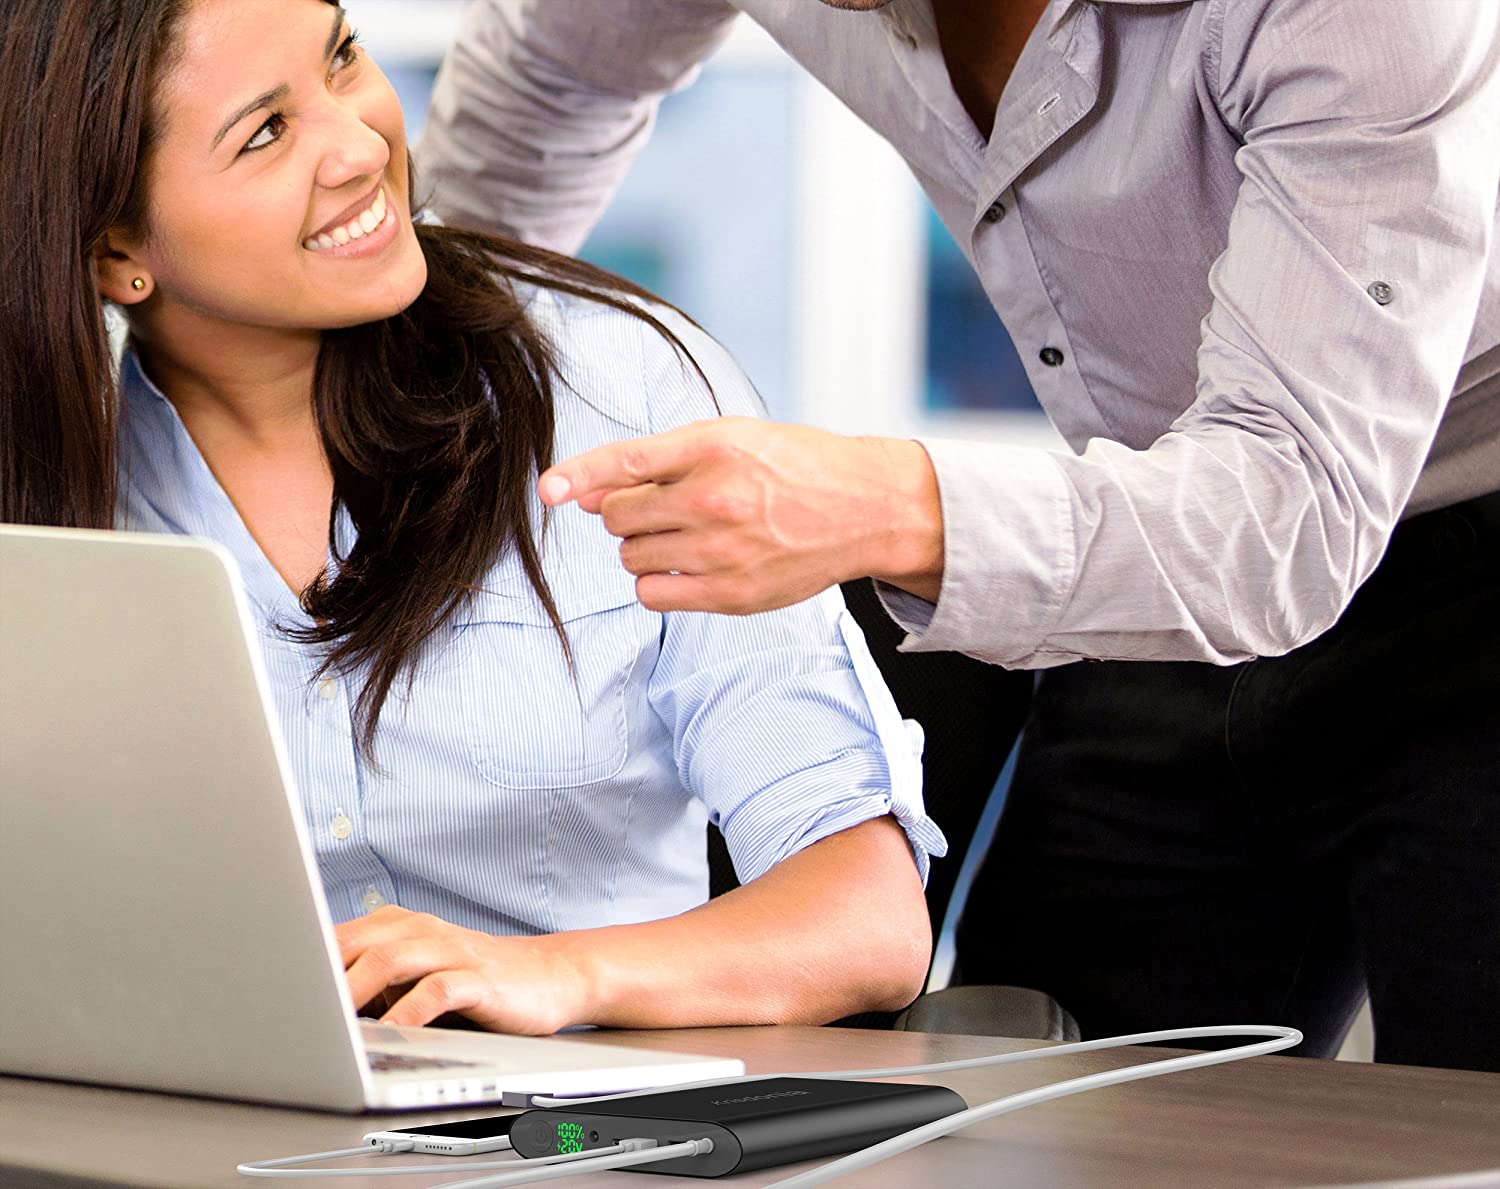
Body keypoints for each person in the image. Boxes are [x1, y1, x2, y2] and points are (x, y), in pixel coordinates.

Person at [420, 0, 1500, 1070]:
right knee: (1065, 1097)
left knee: (1463, 1112)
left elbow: (1288, 513)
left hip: (1436, 528)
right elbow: (549, 83)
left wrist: (882, 506)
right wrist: (401, 385)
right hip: (1156, 521)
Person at [0, 0, 945, 1036]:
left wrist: (554, 974)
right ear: (116, 250)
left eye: (342, 57)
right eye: (266, 131)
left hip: (578, 1113)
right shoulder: (52, 502)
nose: (365, 145)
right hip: (187, 1114)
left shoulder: (621, 390)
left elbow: (868, 919)